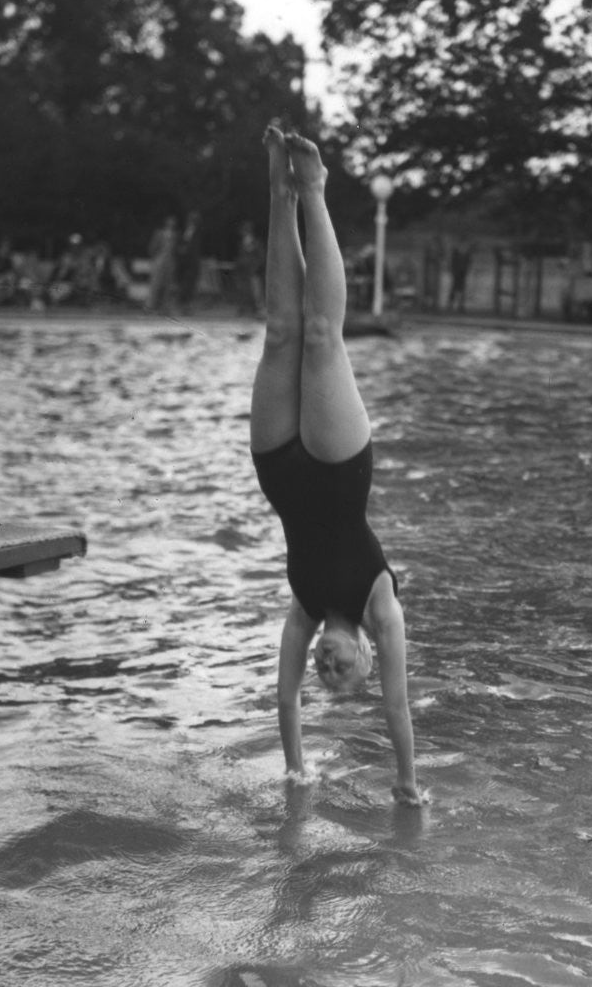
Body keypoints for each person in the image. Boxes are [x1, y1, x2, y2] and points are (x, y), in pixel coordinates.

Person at [250, 126, 421, 806]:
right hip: (337, 467)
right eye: (341, 672)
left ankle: (275, 191)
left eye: (324, 670)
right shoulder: (381, 609)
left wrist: (295, 770)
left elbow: (284, 697)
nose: (325, 665)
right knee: (320, 337)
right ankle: (313, 191)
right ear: (368, 660)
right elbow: (398, 709)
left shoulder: (304, 609)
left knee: (280, 331)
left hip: (280, 474)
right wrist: (407, 784)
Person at [147, 216, 178, 313]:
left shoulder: (175, 235)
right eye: (170, 221)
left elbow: (175, 250)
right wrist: (154, 259)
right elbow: (152, 247)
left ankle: (164, 307)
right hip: (159, 260)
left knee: (167, 285)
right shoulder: (159, 233)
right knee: (156, 284)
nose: (171, 223)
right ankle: (151, 306)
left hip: (170, 261)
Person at [235, 220, 264, 317]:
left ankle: (257, 309)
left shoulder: (256, 242)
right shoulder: (241, 243)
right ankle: (244, 309)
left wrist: (255, 267)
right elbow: (240, 256)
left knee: (255, 291)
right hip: (242, 270)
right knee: (243, 289)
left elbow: (260, 257)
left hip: (253, 271)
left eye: (245, 230)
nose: (243, 233)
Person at [176, 210, 202, 313]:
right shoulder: (183, 231)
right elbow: (180, 244)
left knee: (189, 285)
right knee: (183, 284)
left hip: (192, 262)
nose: (192, 221)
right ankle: (182, 306)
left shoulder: (198, 231)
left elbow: (194, 247)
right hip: (183, 262)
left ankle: (186, 306)